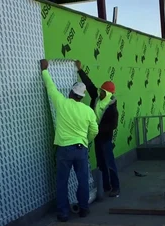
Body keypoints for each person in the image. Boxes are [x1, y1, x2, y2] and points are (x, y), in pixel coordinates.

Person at [40, 59, 99, 222]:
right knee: (82, 181)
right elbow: (95, 130)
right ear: (81, 96)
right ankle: (84, 209)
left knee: (62, 182)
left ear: (71, 93)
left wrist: (45, 70)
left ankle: (63, 213)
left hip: (64, 150)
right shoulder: (88, 111)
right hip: (81, 149)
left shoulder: (62, 103)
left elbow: (51, 88)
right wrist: (86, 140)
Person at [75, 60, 120, 197]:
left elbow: (113, 125)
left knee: (110, 163)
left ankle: (116, 187)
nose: (100, 92)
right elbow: (89, 85)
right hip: (97, 137)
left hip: (105, 138)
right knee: (101, 163)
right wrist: (80, 70)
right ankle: (106, 188)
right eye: (100, 90)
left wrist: (97, 129)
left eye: (103, 91)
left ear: (108, 94)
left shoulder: (112, 108)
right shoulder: (96, 98)